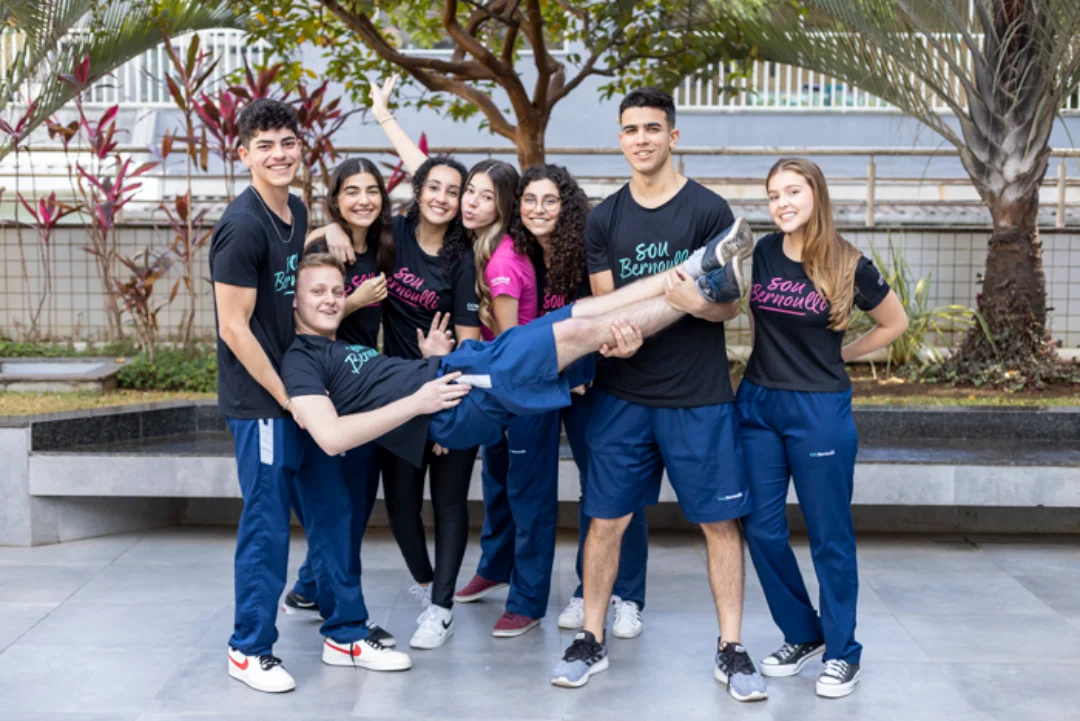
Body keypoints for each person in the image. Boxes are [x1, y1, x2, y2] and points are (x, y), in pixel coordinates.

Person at [552, 86, 766, 701]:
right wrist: (618, 336)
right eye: (630, 130)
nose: (640, 139)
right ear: (619, 139)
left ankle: (731, 648)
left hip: (698, 396)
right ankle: (590, 638)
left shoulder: (708, 210)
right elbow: (607, 306)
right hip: (624, 395)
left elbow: (728, 306)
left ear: (673, 136)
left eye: (652, 128)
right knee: (605, 521)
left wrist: (692, 300)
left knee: (720, 524)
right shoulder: (605, 218)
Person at [210, 100, 409, 695]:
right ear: (243, 154)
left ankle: (345, 631)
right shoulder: (242, 227)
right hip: (265, 403)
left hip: (304, 388)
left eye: (287, 143)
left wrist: (328, 235)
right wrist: (287, 398)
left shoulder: (295, 210)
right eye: (264, 145)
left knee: (333, 512)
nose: (279, 154)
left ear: (301, 147)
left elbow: (296, 288)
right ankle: (249, 648)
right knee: (269, 526)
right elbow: (234, 328)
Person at [283, 226, 749, 466]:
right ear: (293, 301)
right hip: (450, 403)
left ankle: (697, 266)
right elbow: (331, 438)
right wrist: (417, 402)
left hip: (455, 368)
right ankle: (706, 290)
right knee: (575, 333)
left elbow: (376, 386)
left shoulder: (341, 344)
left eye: (337, 290)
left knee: (578, 313)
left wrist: (427, 367)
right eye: (317, 292)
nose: (331, 299)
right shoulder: (300, 360)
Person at [737, 158, 907, 699]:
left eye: (793, 191)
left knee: (829, 536)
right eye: (773, 195)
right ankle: (802, 632)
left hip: (818, 411)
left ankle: (842, 652)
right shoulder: (764, 252)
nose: (781, 203)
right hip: (758, 405)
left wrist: (844, 354)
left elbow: (895, 322)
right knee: (760, 529)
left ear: (817, 195)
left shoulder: (850, 263)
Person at [279, 158, 395, 648]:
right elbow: (304, 313)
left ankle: (309, 588)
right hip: (323, 390)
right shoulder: (322, 247)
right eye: (351, 191)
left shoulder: (386, 245)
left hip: (363, 389)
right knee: (338, 513)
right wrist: (356, 298)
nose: (362, 200)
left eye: (372, 190)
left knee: (355, 508)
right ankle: (347, 616)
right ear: (335, 199)